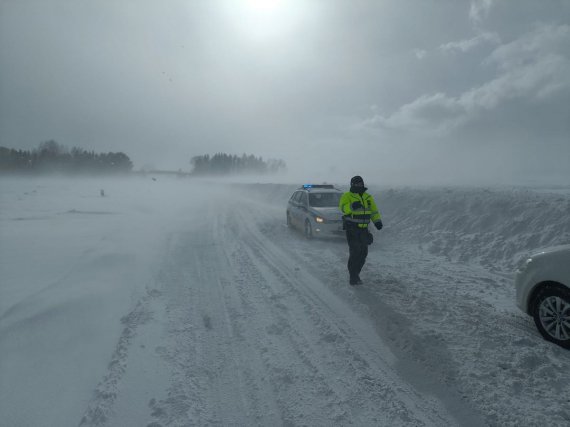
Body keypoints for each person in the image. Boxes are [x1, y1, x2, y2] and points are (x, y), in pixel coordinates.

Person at [339, 176, 383, 285]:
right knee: (355, 252)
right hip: (352, 229)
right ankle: (353, 277)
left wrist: (377, 221)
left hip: (364, 229)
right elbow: (342, 208)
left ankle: (356, 273)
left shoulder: (368, 197)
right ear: (352, 185)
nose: (359, 185)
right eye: (357, 184)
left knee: (363, 253)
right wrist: (351, 206)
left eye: (361, 183)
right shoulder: (347, 196)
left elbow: (374, 211)